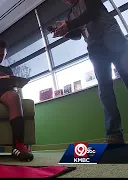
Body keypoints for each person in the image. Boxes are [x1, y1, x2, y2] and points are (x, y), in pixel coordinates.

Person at [54, 0, 128, 144]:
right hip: (94, 46)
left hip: (111, 36)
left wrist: (69, 25)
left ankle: (114, 133)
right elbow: (77, 34)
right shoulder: (71, 13)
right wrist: (65, 32)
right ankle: (114, 135)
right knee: (105, 90)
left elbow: (92, 12)